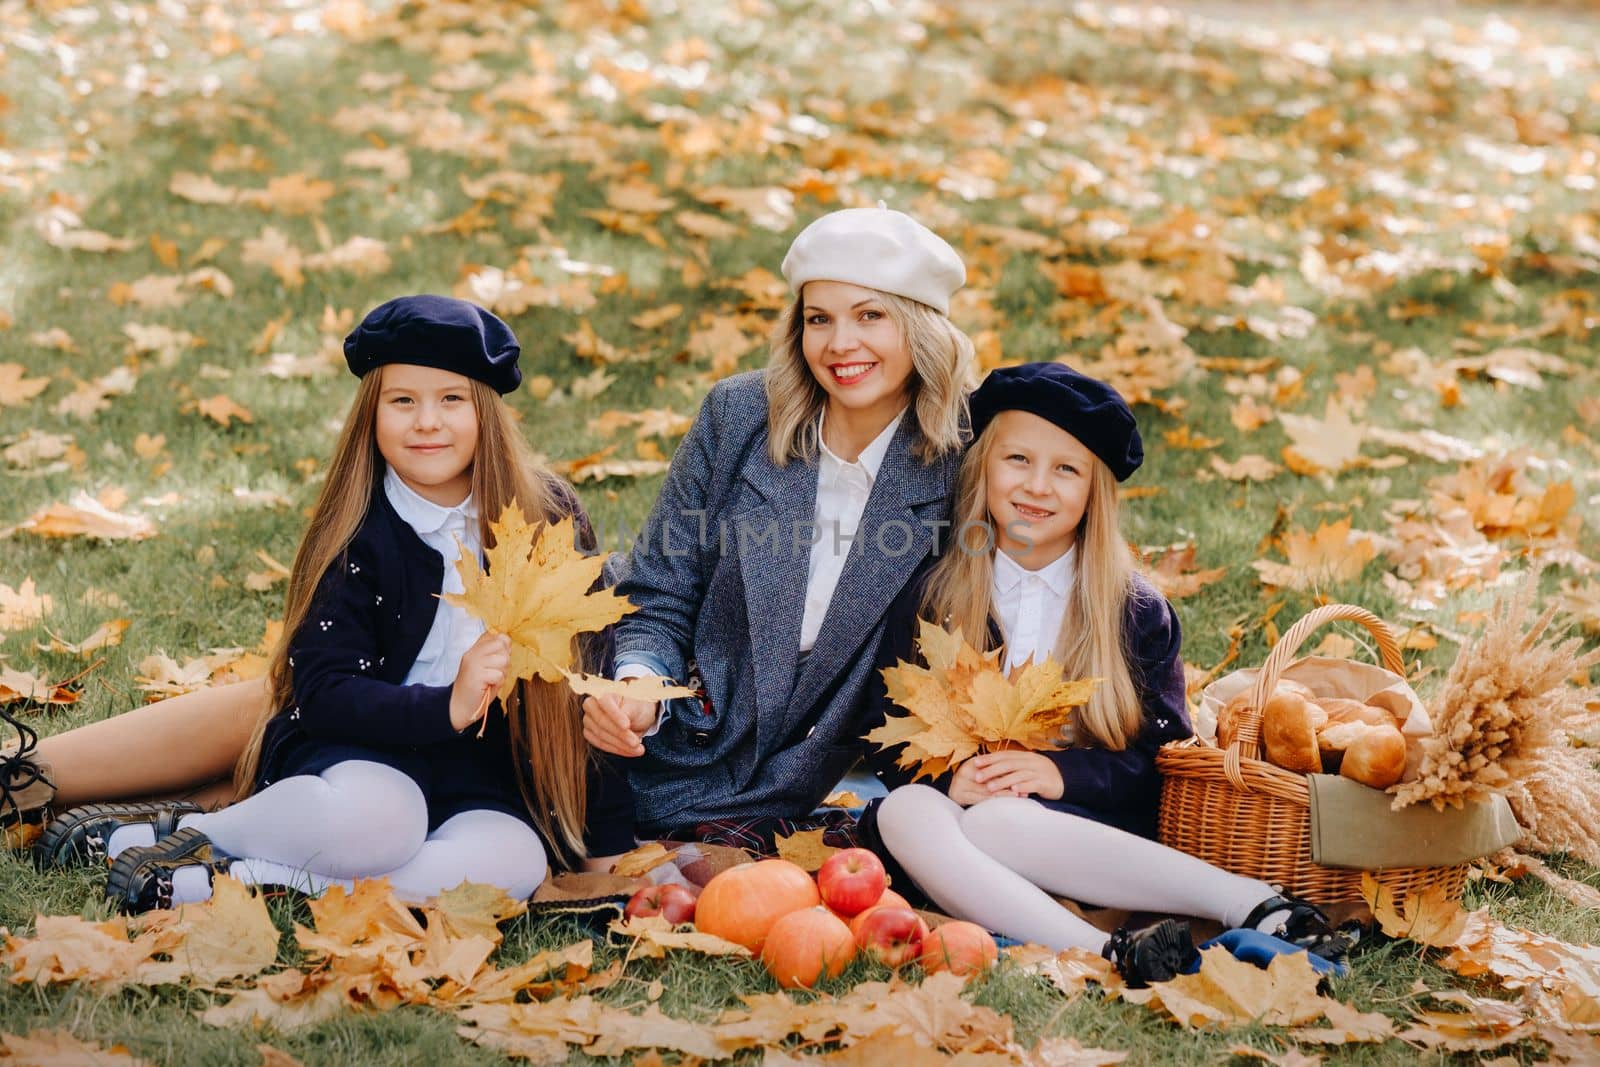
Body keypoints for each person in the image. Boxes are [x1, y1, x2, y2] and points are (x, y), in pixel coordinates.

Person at [32, 295, 634, 912]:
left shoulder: (546, 517)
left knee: (510, 863)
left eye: (451, 399)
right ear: (371, 416)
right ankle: (185, 838)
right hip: (353, 749)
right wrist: (445, 707)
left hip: (479, 779)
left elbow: (580, 687)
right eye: (403, 401)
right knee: (382, 819)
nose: (427, 421)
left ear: (485, 410)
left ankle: (237, 882)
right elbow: (322, 691)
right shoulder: (360, 530)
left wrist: (608, 850)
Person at [863, 362, 1344, 985]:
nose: (1038, 486)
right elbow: (886, 730)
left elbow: (1162, 760)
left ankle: (1250, 900)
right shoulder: (934, 595)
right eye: (1017, 460)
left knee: (1002, 821)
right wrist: (953, 781)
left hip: (1082, 837)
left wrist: (1060, 774)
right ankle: (1106, 953)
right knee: (903, 810)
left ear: (1096, 492)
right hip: (952, 839)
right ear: (981, 469)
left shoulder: (1133, 612)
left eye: (1067, 469)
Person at [580, 206, 975, 847]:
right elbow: (661, 590)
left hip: (808, 777)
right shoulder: (739, 417)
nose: (840, 344)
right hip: (677, 736)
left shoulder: (963, 461)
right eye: (819, 319)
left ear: (922, 327)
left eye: (870, 315)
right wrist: (639, 689)